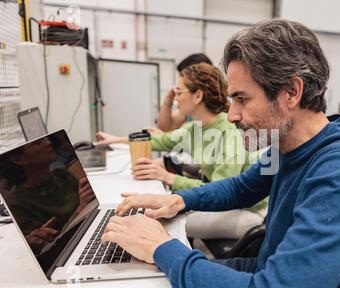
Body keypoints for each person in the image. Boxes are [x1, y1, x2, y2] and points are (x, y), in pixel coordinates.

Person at [101, 19, 340, 288]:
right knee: (150, 283)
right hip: (269, 278)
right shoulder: (284, 148)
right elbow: (242, 188)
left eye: (242, 99)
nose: (231, 116)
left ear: (291, 92)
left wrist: (161, 247)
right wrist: (179, 201)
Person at [98, 63, 267, 240]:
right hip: (224, 202)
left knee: (163, 223)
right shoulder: (194, 129)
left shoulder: (229, 131)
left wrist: (168, 177)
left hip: (247, 210)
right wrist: (115, 140)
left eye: (179, 92)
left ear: (198, 96)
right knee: (156, 216)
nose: (176, 99)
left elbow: (222, 189)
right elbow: (159, 140)